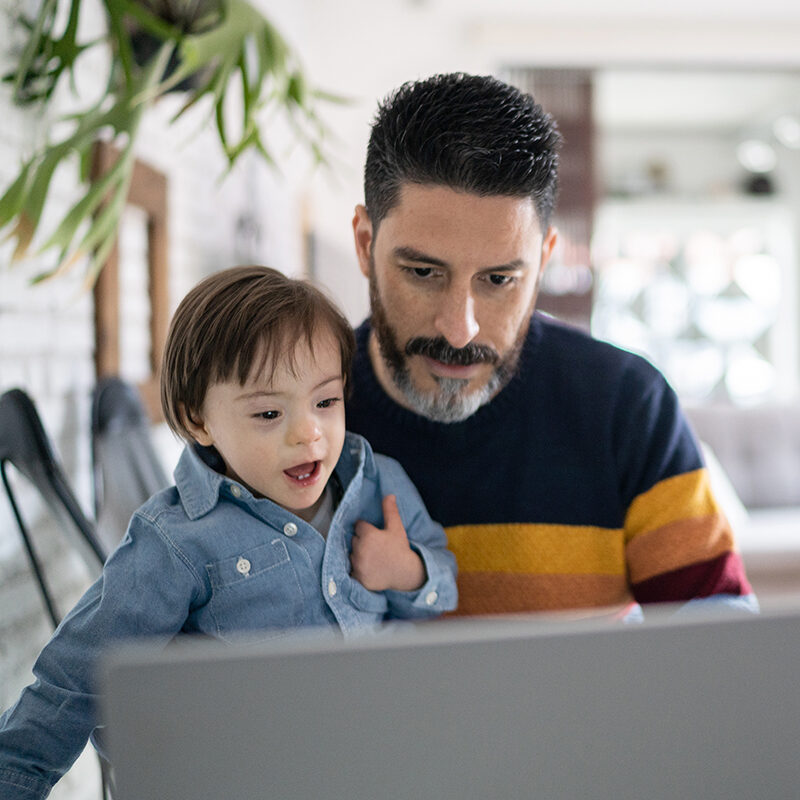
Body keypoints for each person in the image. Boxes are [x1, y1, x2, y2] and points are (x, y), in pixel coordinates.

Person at [0, 265, 457, 800]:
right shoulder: (176, 542)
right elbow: (72, 681)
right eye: (268, 412)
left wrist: (407, 570)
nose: (308, 432)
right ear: (199, 420)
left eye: (326, 402)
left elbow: (442, 587)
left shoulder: (378, 486)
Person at [345, 72, 756, 618]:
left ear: (543, 260)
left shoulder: (626, 406)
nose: (459, 329)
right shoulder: (288, 414)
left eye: (498, 280)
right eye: (423, 272)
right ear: (365, 243)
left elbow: (720, 653)